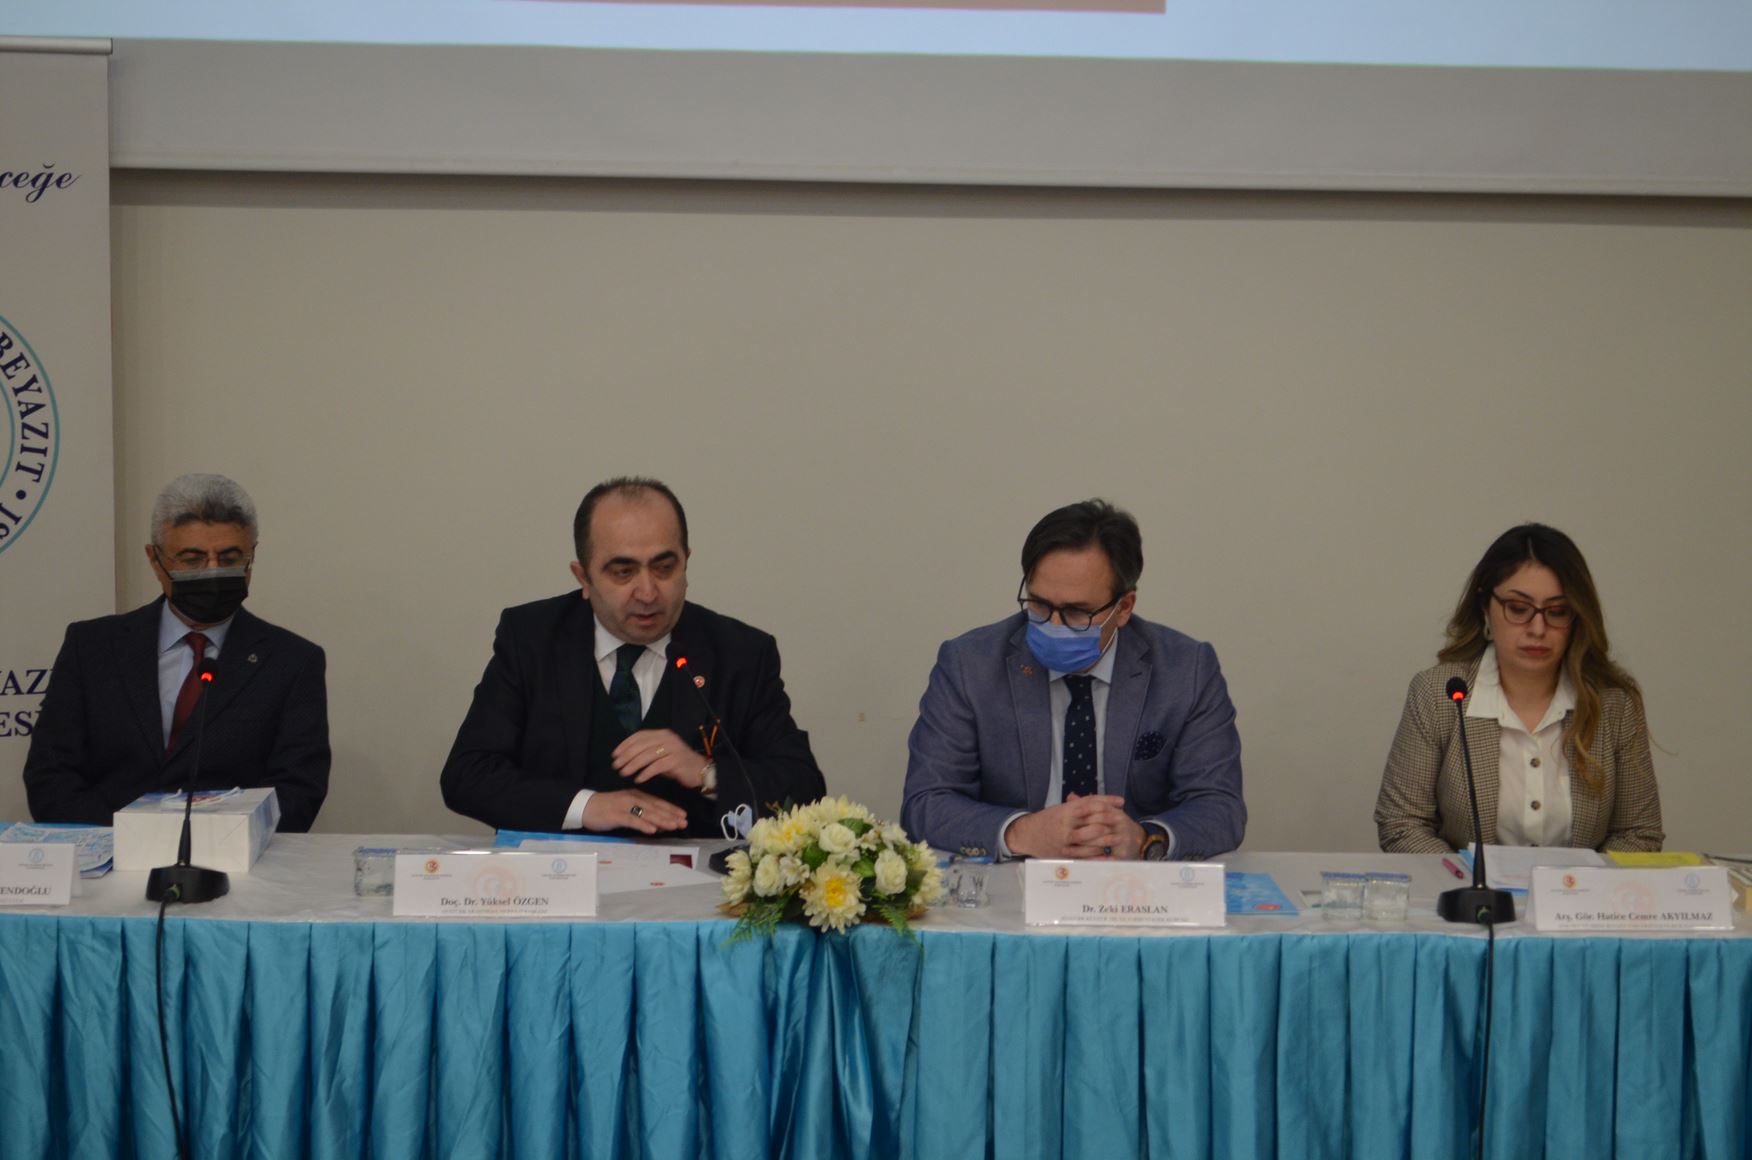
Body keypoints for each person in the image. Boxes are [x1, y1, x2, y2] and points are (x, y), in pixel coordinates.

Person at [440, 476, 825, 837]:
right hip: (561, 874)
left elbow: (804, 787)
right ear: (583, 578)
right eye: (623, 572)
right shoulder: (532, 639)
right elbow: (468, 775)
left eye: (664, 568)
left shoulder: (740, 653)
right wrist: (587, 806)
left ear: (686, 562)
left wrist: (707, 773)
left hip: (697, 879)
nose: (648, 592)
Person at [901, 499, 1245, 861]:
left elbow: (1219, 806)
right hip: (1015, 878)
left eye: (1077, 612)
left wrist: (1145, 839)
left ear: (1124, 608)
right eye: (1039, 604)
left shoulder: (1186, 670)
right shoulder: (969, 665)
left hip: (1131, 882)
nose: (1053, 624)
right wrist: (1023, 832)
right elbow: (926, 802)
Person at [24, 474, 330, 831]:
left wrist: (207, 843)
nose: (213, 571)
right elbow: (51, 775)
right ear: (155, 560)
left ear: (252, 556)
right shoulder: (90, 647)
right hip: (107, 852)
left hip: (232, 858)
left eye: (229, 557)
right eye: (192, 559)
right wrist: (132, 841)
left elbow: (297, 792)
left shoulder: (292, 661)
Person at [1375, 523, 1661, 854]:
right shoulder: (1441, 694)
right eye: (1518, 609)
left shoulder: (1613, 704)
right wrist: (1473, 882)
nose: (1538, 628)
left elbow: (1639, 833)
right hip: (1467, 886)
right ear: (1485, 606)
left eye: (1557, 612)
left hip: (1577, 889)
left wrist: (1578, 883)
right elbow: (1402, 824)